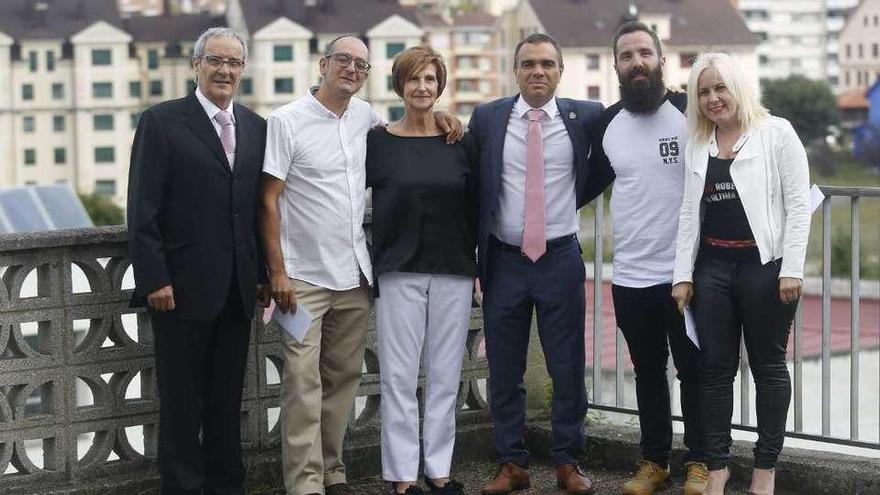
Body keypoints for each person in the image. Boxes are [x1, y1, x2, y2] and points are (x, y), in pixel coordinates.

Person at [261, 35, 462, 495]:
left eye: (361, 64)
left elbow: (412, 134)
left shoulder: (368, 122)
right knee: (301, 383)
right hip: (301, 278)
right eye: (343, 60)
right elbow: (268, 200)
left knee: (342, 382)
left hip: (354, 276)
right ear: (323, 64)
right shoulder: (286, 121)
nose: (352, 69)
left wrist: (446, 119)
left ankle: (333, 472)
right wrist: (276, 272)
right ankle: (305, 484)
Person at [127, 27, 270, 494]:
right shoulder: (162, 121)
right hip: (179, 289)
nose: (224, 70)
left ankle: (227, 486)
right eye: (215, 61)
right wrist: (154, 278)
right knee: (182, 403)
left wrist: (264, 273)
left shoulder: (255, 125)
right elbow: (142, 209)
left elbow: (254, 210)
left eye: (233, 63)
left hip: (237, 288)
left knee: (228, 401)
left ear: (243, 70)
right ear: (196, 65)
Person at [468, 33, 604, 495]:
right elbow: (471, 175)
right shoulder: (488, 117)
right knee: (503, 367)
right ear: (515, 70)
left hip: (559, 257)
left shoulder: (584, 116)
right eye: (528, 64)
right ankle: (512, 462)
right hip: (503, 261)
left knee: (567, 365)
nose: (537, 72)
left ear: (560, 71)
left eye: (547, 63)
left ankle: (568, 462)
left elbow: (602, 169)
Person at [671, 52, 810, 495]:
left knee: (769, 368)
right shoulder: (698, 143)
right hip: (712, 268)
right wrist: (682, 274)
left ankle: (765, 469)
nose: (714, 99)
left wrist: (792, 268)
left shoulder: (776, 133)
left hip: (764, 269)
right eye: (704, 92)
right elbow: (689, 216)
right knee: (714, 370)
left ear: (738, 87)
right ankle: (718, 466)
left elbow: (799, 205)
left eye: (720, 88)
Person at [586, 21, 707, 495]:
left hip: (686, 275)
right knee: (647, 373)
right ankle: (654, 461)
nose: (637, 62)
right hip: (631, 276)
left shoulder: (690, 113)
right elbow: (578, 187)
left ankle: (701, 460)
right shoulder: (607, 124)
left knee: (695, 372)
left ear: (661, 59)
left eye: (645, 53)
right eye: (626, 56)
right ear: (616, 66)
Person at [366, 46, 477, 495]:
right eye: (414, 79)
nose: (422, 87)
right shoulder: (378, 141)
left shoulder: (460, 140)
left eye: (430, 79)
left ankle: (439, 470)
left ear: (440, 86)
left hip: (453, 269)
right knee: (398, 376)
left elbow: (478, 203)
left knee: (446, 375)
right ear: (399, 86)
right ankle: (402, 475)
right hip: (398, 270)